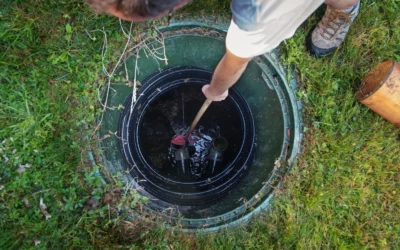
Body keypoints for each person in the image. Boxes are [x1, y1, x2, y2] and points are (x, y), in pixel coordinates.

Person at [85, 0, 360, 101]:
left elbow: (237, 61)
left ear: (177, 6)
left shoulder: (258, 10)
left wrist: (216, 90)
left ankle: (345, 7)